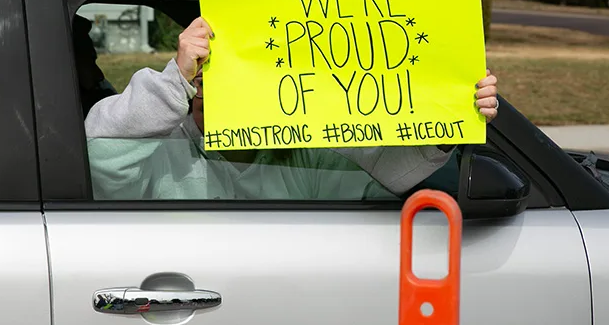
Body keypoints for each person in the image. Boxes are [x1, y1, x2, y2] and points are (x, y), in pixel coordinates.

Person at [84, 17, 499, 200]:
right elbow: (98, 154)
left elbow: (380, 180)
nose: (216, 91)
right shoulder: (161, 149)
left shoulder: (298, 153)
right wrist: (172, 80)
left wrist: (450, 115)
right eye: (205, 78)